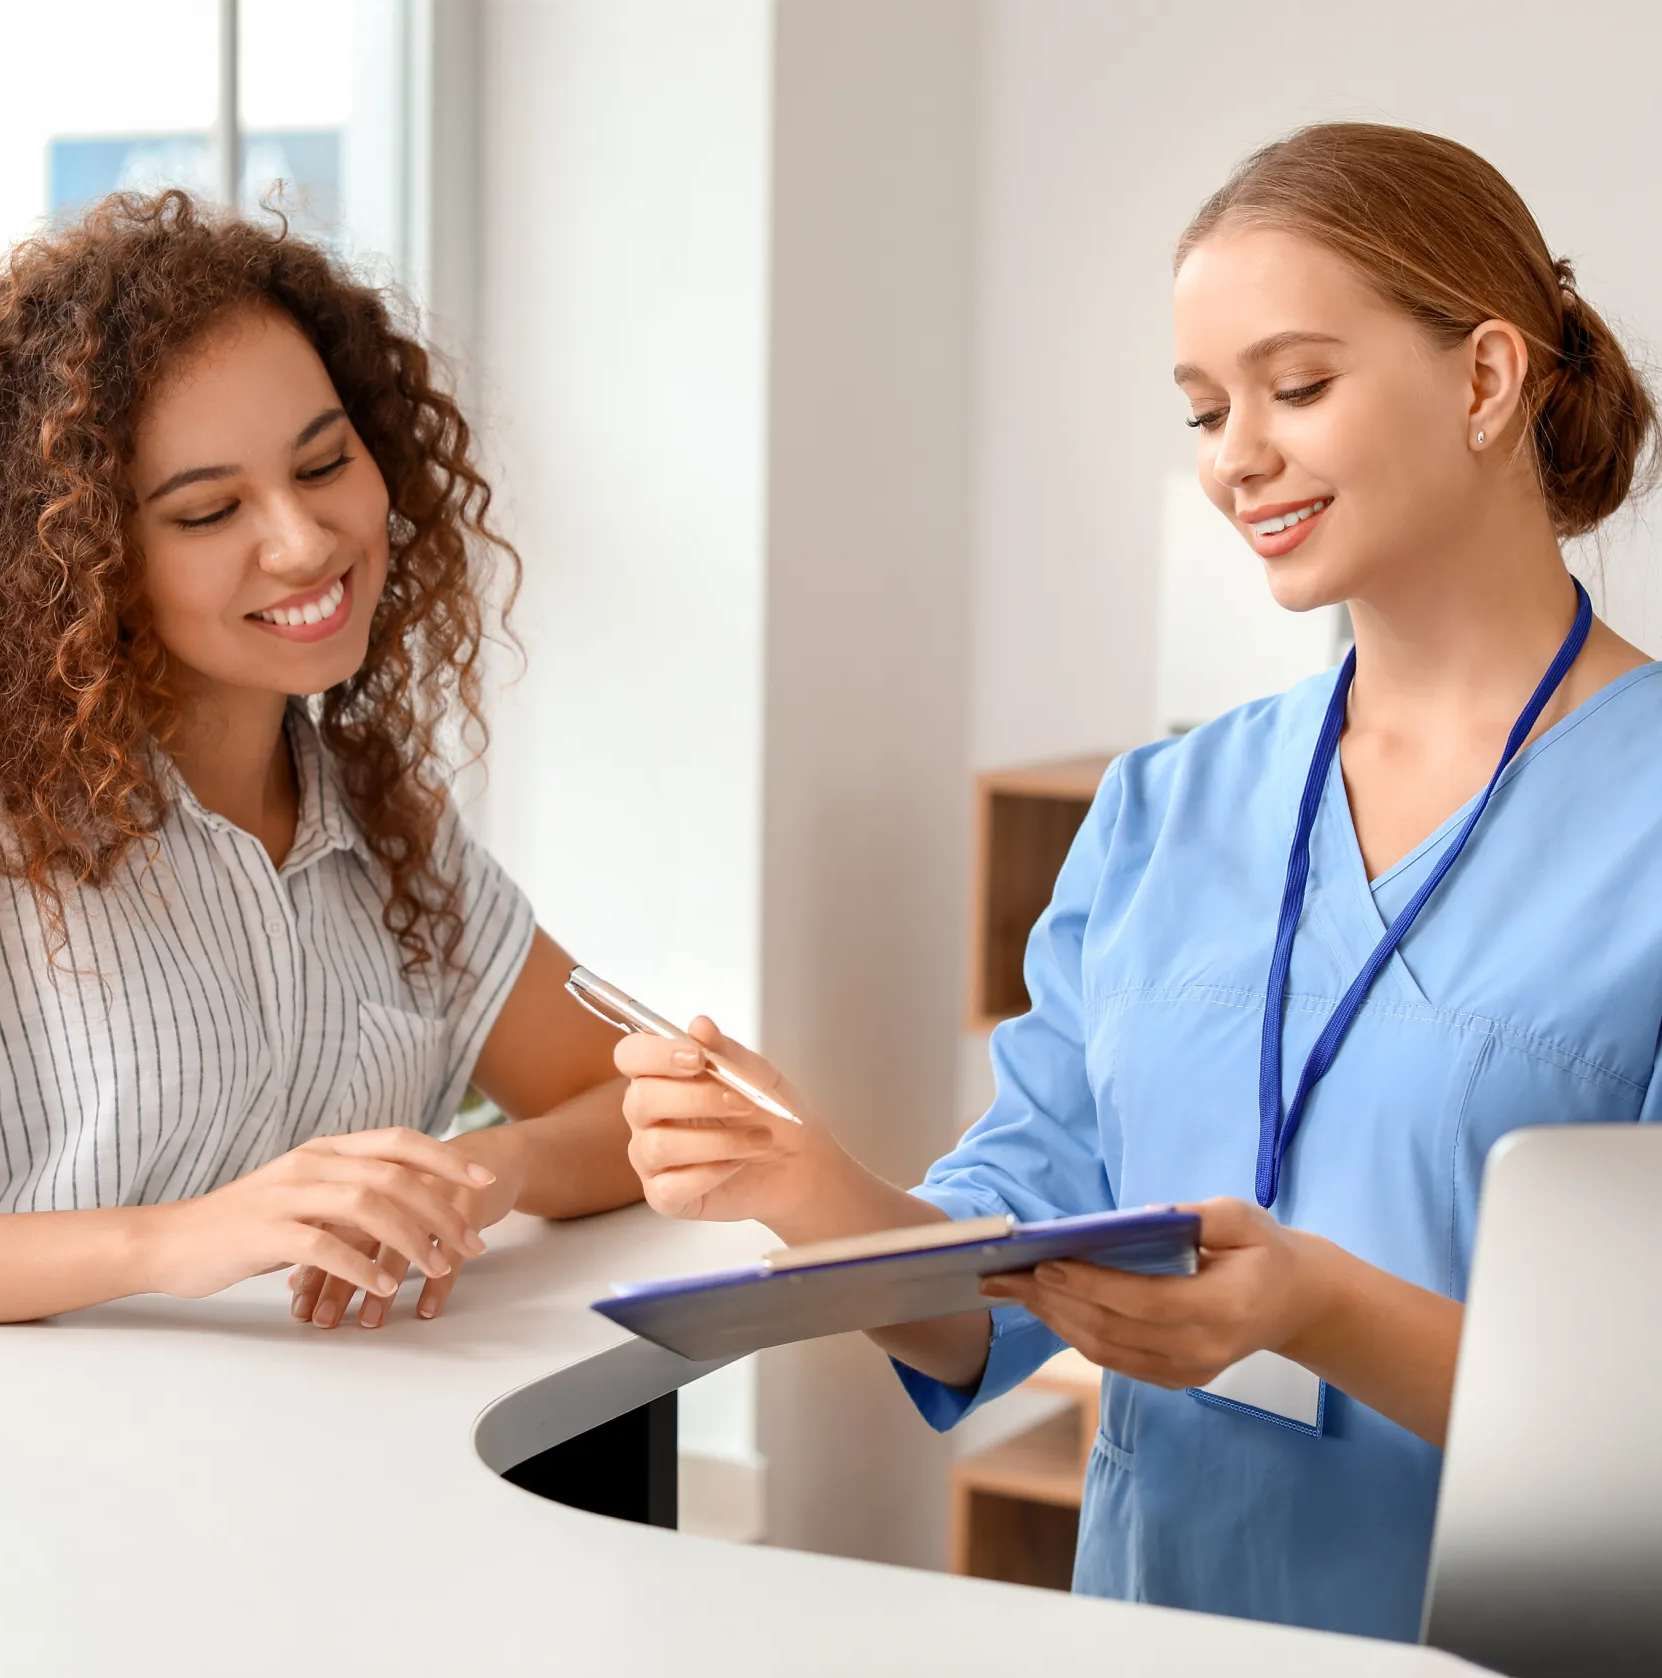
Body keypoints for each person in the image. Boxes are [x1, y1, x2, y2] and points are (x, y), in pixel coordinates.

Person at [611, 123, 1662, 1641]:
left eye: (1295, 387)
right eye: (1201, 407)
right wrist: (807, 1188)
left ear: (1484, 379)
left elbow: (1634, 1407)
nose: (1234, 454)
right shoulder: (1164, 806)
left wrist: (1310, 1304)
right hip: (1154, 1617)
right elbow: (993, 1269)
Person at [0, 191, 640, 1327]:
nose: (302, 541)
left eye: (325, 463)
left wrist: (477, 1178)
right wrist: (174, 1238)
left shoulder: (384, 830)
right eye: (206, 511)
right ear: (82, 565)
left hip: (339, 1459)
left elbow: (632, 1104)